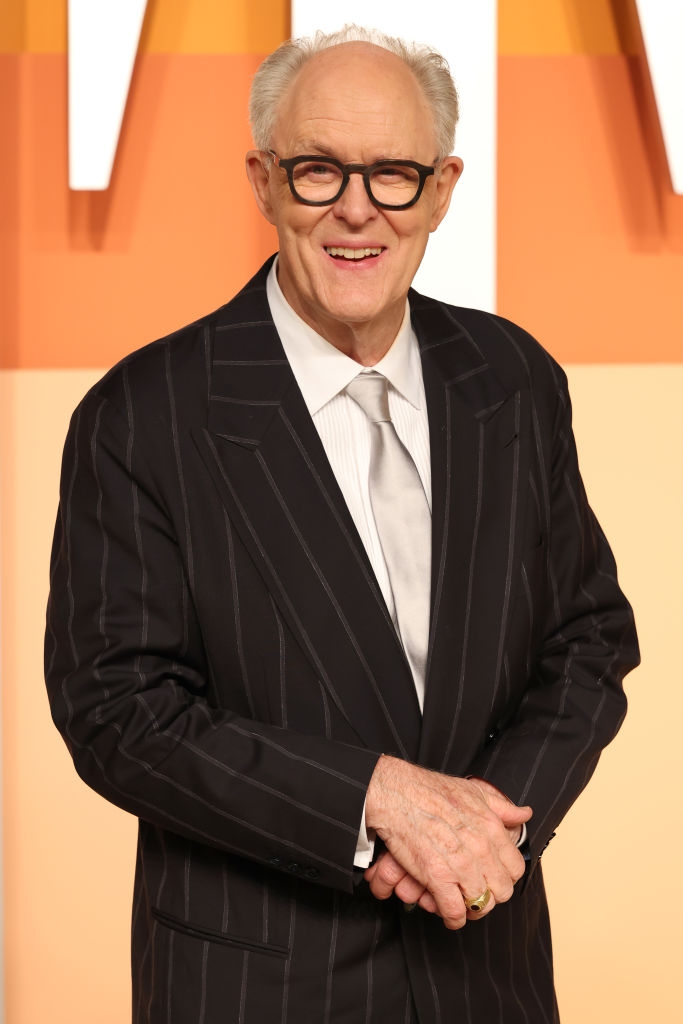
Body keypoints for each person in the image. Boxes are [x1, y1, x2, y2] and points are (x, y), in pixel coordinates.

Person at [45, 24, 639, 1024]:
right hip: (256, 988)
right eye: (317, 170)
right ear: (263, 182)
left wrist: (483, 837)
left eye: (393, 174)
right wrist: (373, 802)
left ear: (441, 190)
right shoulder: (141, 415)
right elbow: (117, 713)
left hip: (482, 970)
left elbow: (586, 640)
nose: (356, 210)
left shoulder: (513, 380)